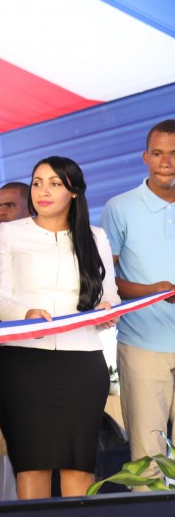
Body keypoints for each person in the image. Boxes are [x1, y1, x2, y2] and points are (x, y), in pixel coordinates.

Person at [0, 156, 120, 499]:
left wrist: (109, 310)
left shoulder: (96, 236)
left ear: (74, 192)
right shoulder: (9, 233)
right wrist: (24, 313)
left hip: (83, 364)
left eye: (55, 183)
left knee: (80, 467)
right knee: (32, 467)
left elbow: (111, 295)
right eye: (37, 183)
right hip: (25, 364)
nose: (43, 191)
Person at [102, 119, 175, 483]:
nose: (167, 161)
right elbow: (106, 281)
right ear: (145, 157)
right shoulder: (120, 207)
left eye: (174, 154)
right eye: (159, 153)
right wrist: (155, 290)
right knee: (148, 459)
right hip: (142, 345)